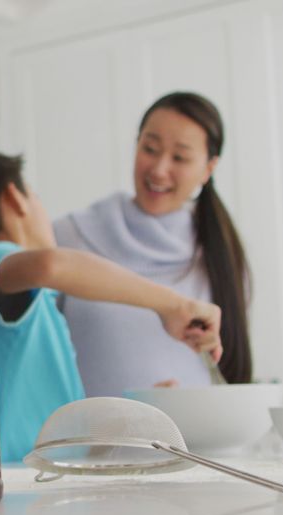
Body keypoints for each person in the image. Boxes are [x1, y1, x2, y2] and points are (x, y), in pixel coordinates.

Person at [0, 149, 222, 461]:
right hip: (17, 491)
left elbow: (67, 442)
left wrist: (137, 417)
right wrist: (173, 305)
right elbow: (52, 265)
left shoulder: (36, 309)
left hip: (44, 490)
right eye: (37, 197)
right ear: (15, 198)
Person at [53, 92, 251, 396]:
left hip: (190, 440)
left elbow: (227, 373)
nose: (159, 169)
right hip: (92, 440)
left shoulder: (219, 254)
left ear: (208, 168)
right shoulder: (69, 237)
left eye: (180, 157)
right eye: (150, 148)